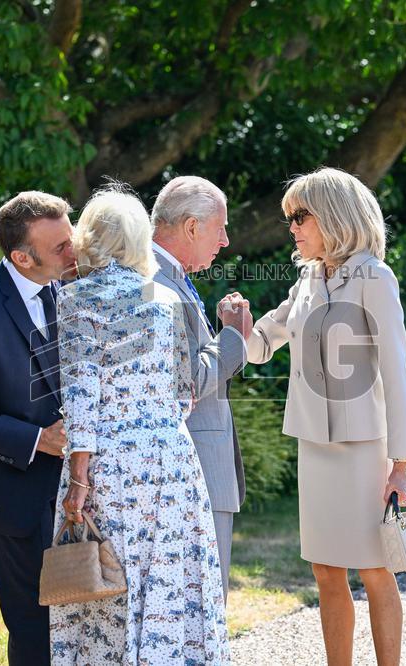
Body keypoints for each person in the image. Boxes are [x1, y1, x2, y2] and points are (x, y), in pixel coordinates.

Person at [243, 167, 406, 666]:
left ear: (335, 215)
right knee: (324, 569)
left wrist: (400, 464)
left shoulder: (375, 277)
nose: (292, 227)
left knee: (375, 568)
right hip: (313, 445)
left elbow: (396, 372)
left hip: (365, 448)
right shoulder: (306, 277)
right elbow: (263, 344)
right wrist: (237, 330)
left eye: (301, 216)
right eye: (289, 218)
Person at [50, 187, 230, 665]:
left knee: (109, 585)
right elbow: (184, 392)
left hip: (112, 467)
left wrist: (78, 480)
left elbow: (82, 395)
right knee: (170, 586)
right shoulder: (165, 295)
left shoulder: (76, 299)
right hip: (171, 462)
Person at [0, 191, 76, 666]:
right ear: (21, 257)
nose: (75, 253)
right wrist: (36, 439)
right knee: (33, 628)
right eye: (61, 248)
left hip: (78, 492)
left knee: (84, 621)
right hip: (18, 499)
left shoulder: (68, 289)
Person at [149, 176, 252, 596]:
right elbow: (187, 380)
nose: (226, 240)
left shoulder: (167, 275)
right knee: (202, 604)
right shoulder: (158, 281)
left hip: (196, 468)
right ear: (191, 227)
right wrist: (232, 337)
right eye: (220, 228)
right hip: (194, 471)